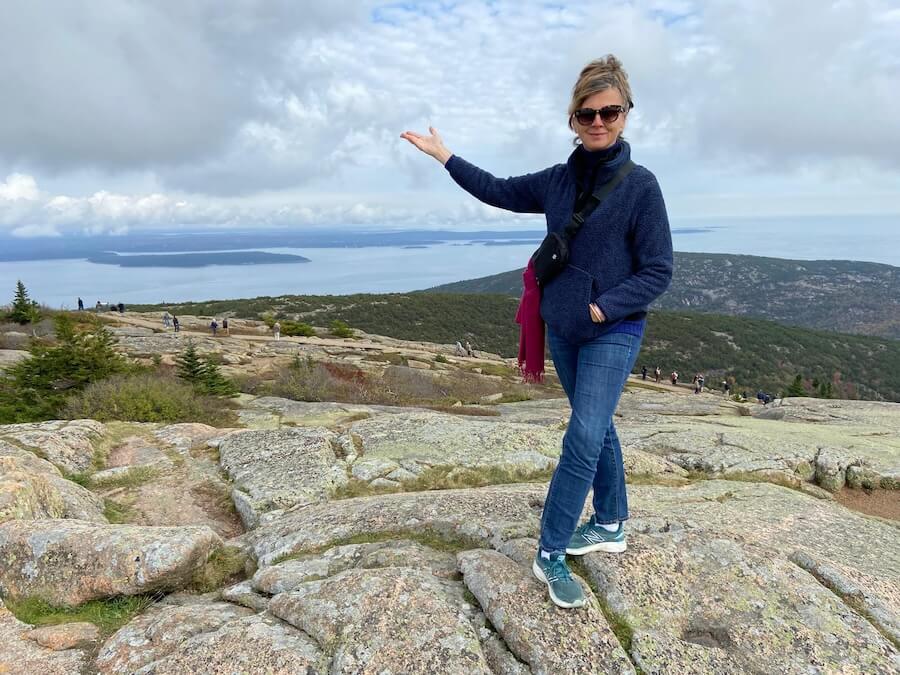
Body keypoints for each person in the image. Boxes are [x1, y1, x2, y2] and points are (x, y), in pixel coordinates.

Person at [402, 55, 672, 609]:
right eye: (587, 113)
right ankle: (612, 521)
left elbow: (658, 270)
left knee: (583, 435)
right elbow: (498, 189)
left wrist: (604, 308)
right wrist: (445, 156)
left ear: (626, 115)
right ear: (572, 119)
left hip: (611, 329)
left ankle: (550, 549)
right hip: (563, 329)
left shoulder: (641, 187)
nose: (598, 122)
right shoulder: (556, 180)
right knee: (594, 428)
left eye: (610, 111)